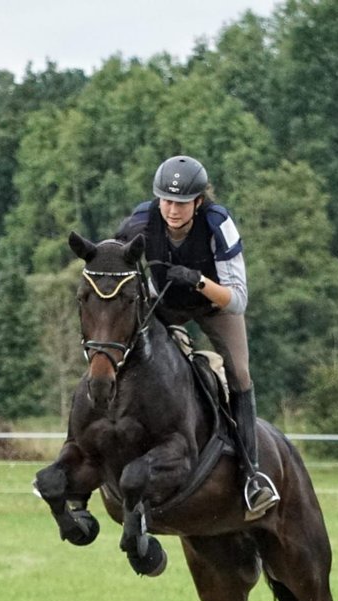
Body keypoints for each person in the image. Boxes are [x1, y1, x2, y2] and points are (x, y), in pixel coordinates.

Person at [116, 155, 279, 520]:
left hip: (215, 309)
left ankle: (252, 475)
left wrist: (199, 281)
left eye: (182, 202)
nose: (172, 210)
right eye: (167, 200)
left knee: (238, 373)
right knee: (128, 358)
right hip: (165, 306)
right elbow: (113, 255)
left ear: (198, 202)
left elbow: (238, 299)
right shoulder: (143, 218)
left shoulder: (218, 224)